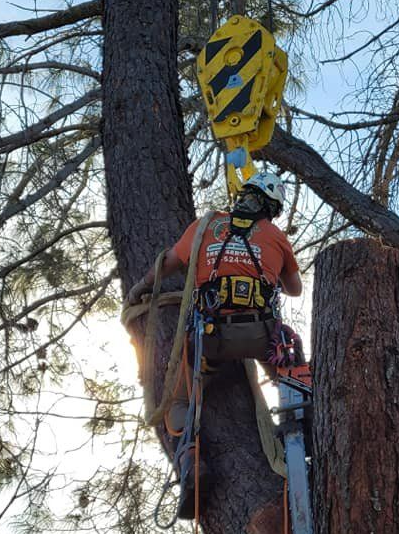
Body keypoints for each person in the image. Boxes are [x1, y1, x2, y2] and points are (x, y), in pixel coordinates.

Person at [127, 170, 302, 435]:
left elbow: (167, 265)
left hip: (211, 337)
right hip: (260, 336)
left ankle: (190, 449)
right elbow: (295, 289)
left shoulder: (204, 226)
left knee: (179, 402)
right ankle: (301, 413)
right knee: (289, 366)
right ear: (272, 206)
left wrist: (140, 287)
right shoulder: (276, 236)